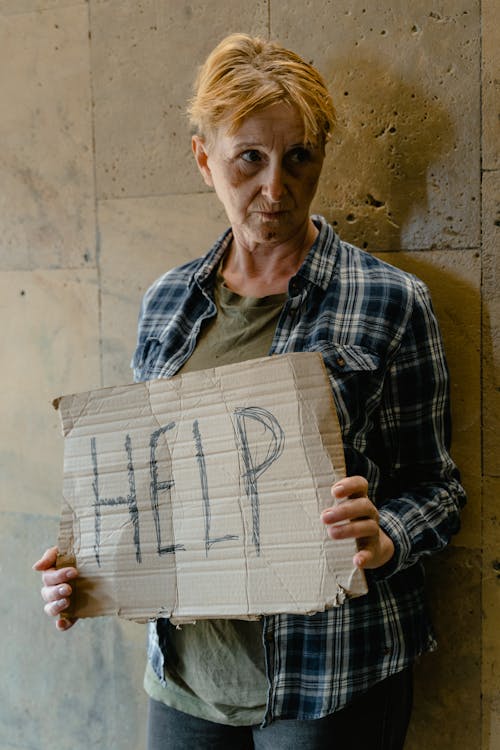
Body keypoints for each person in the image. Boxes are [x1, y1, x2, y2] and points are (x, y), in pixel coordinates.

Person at [34, 33, 466, 750]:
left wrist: (387, 536)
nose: (276, 188)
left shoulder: (390, 301)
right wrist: (81, 563)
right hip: (186, 680)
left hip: (329, 680)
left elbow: (440, 490)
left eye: (299, 157)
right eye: (249, 160)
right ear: (205, 160)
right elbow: (147, 484)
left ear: (322, 154)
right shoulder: (166, 302)